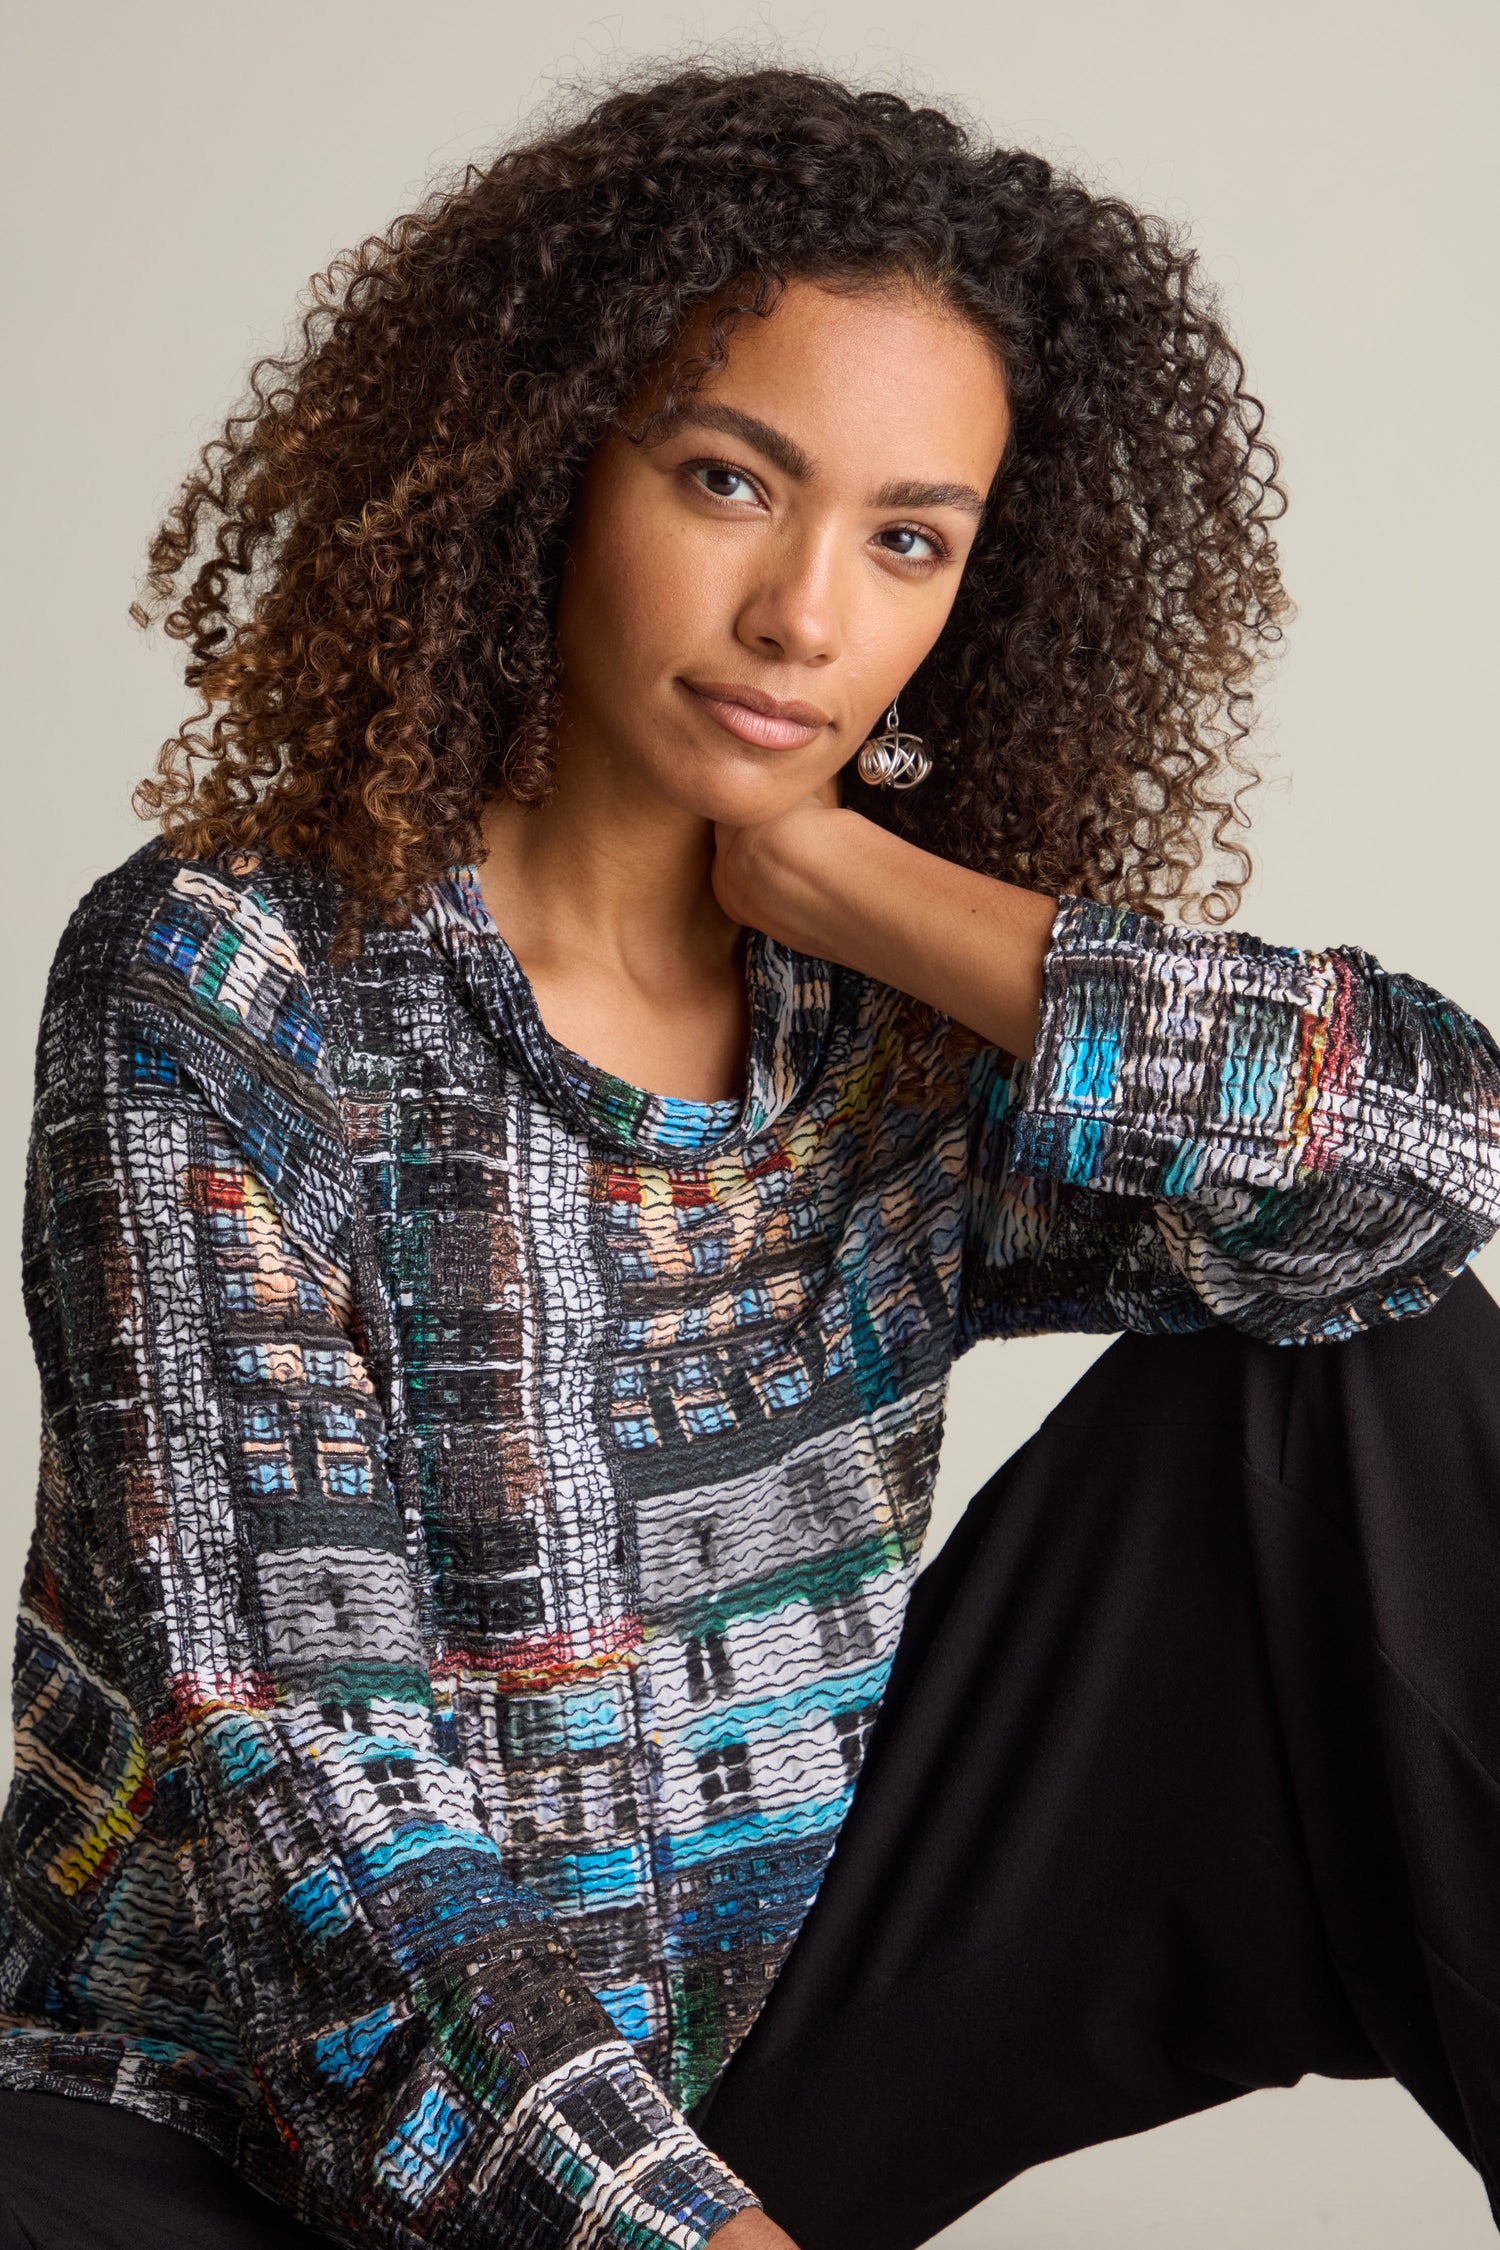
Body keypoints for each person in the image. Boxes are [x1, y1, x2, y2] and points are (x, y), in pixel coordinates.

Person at [1, 60, 1498, 2250]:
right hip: (217, 2123)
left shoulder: (879, 1027)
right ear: (547, 470)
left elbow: (1432, 1159)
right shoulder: (232, 978)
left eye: (909, 540)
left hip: (744, 2046)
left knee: (1357, 1371)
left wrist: (884, 900)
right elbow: (296, 1802)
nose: (809, 613)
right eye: (729, 480)